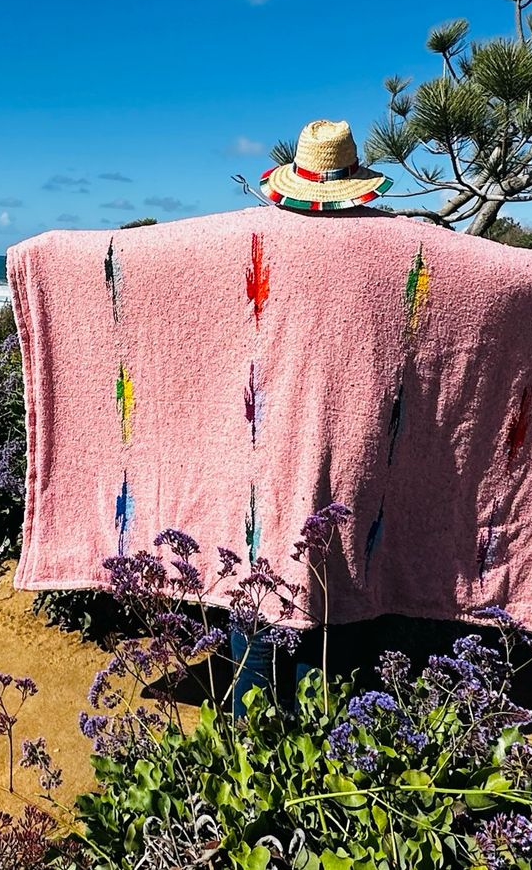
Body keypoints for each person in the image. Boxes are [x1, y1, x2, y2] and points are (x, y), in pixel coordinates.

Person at [231, 118, 392, 717]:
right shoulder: (404, 244)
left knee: (262, 568)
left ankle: (251, 739)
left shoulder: (249, 237)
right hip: (362, 443)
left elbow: (149, 262)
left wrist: (42, 260)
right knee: (347, 572)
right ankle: (333, 731)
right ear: (357, 178)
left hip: (265, 445)